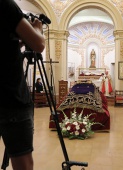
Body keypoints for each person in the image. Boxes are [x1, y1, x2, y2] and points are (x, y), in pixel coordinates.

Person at [0, 0, 45, 170]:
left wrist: (17, 43)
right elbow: (39, 44)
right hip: (11, 98)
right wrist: (37, 29)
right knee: (23, 164)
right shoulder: (5, 5)